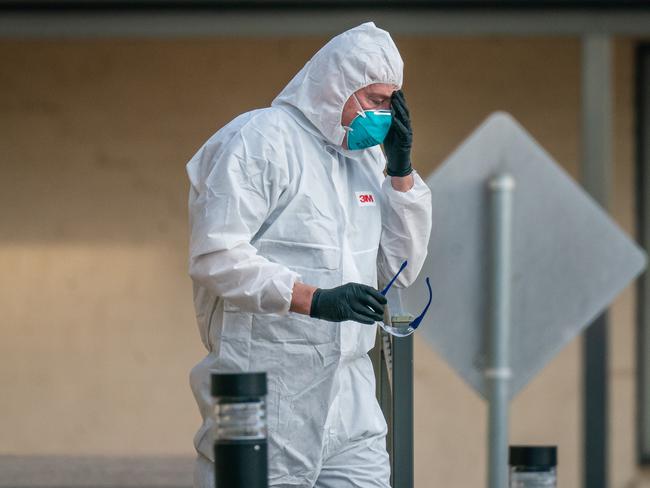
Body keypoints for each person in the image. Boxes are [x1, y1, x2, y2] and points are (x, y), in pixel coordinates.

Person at [186, 22, 432, 488]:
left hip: (350, 396)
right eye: (376, 100)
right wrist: (312, 299)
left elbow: (397, 269)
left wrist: (400, 173)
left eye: (392, 103)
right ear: (336, 85)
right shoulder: (262, 140)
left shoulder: (366, 160)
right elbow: (215, 256)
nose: (385, 115)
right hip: (267, 392)